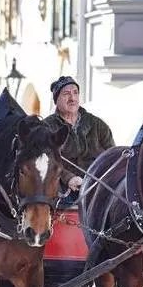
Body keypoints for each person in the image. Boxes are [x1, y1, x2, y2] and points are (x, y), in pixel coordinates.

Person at [43, 75, 115, 205]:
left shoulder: (98, 125)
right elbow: (45, 161)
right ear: (56, 99)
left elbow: (112, 157)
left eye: (75, 93)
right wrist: (68, 178)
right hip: (63, 191)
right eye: (66, 94)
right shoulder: (46, 127)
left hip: (97, 188)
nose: (72, 98)